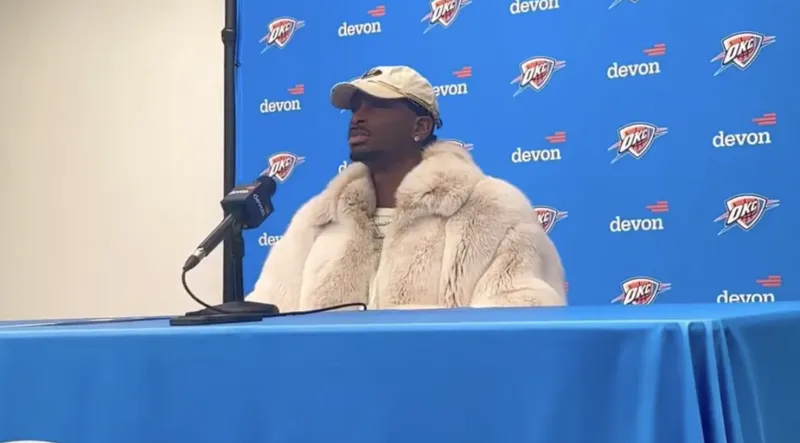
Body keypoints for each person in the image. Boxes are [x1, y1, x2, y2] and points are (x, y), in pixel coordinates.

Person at [246, 65, 566, 311]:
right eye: (355, 108)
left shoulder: (491, 209)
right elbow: (271, 313)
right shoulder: (319, 217)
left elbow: (519, 321)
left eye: (376, 105)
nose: (358, 118)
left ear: (420, 126)